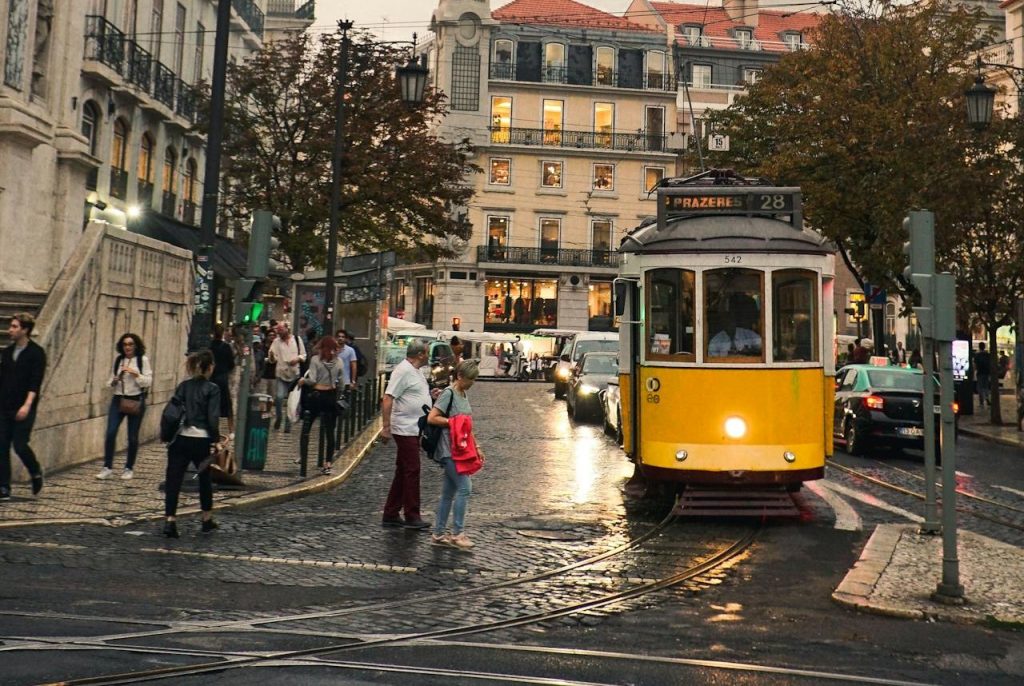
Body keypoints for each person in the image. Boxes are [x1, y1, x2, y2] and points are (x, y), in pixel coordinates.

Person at [163, 350, 220, 538]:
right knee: (204, 479)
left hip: (179, 439)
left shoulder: (183, 386)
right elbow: (212, 418)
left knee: (174, 479)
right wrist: (217, 440)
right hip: (201, 441)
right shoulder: (212, 389)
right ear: (210, 367)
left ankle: (170, 521)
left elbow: (173, 412)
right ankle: (206, 518)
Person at [428, 360, 481, 549]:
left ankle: (439, 533)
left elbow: (467, 424)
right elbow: (432, 418)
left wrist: (477, 446)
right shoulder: (448, 394)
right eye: (470, 379)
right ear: (460, 376)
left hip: (461, 449)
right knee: (465, 488)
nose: (472, 382)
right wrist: (452, 423)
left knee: (448, 492)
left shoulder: (463, 394)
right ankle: (458, 533)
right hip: (448, 450)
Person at [380, 340, 432, 530]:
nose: (428, 355)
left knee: (403, 471)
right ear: (419, 354)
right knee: (412, 469)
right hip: (404, 428)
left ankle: (391, 512)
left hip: (414, 427)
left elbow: (413, 395)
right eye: (426, 352)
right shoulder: (402, 371)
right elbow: (388, 397)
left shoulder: (415, 371)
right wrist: (386, 426)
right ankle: (412, 514)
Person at [0, 313, 46, 501]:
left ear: (25, 330)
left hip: (24, 406)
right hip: (4, 406)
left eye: (14, 326)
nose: (10, 330)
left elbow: (35, 383)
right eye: (11, 326)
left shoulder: (36, 353)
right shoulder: (7, 353)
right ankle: (3, 486)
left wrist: (26, 406)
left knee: (19, 445)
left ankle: (35, 471)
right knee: (1, 446)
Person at [97, 333, 152, 480]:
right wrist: (115, 380)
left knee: (132, 437)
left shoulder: (142, 360)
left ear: (136, 346)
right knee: (110, 432)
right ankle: (107, 466)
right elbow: (109, 382)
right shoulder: (119, 360)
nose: (127, 347)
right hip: (118, 399)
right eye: (125, 344)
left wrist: (135, 374)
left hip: (135, 400)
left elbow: (148, 381)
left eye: (130, 344)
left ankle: (129, 467)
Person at [299, 336, 342, 475]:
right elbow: (341, 382)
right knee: (330, 431)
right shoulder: (339, 362)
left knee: (307, 426)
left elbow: (312, 380)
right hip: (330, 396)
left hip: (317, 396)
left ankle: (302, 456)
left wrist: (302, 381)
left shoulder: (315, 360)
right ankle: (328, 463)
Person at [268, 323, 306, 432]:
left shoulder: (297, 340)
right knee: (279, 397)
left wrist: (297, 359)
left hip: (295, 375)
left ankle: (288, 424)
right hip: (281, 374)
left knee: (292, 401)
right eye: (278, 330)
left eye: (281, 329)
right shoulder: (276, 342)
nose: (279, 332)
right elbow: (272, 359)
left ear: (287, 329)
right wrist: (271, 356)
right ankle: (279, 417)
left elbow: (304, 355)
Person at [209, 324, 236, 436]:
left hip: (211, 378)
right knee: (227, 405)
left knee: (212, 405)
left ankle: (214, 429)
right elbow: (231, 364)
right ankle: (231, 430)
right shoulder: (226, 347)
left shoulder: (209, 347)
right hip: (223, 379)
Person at [975, 342, 992, 409]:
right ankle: (987, 399)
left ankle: (981, 402)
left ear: (979, 347)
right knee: (986, 387)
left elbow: (975, 365)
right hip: (986, 373)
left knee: (980, 388)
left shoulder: (977, 355)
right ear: (984, 347)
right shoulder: (988, 355)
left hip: (980, 373)